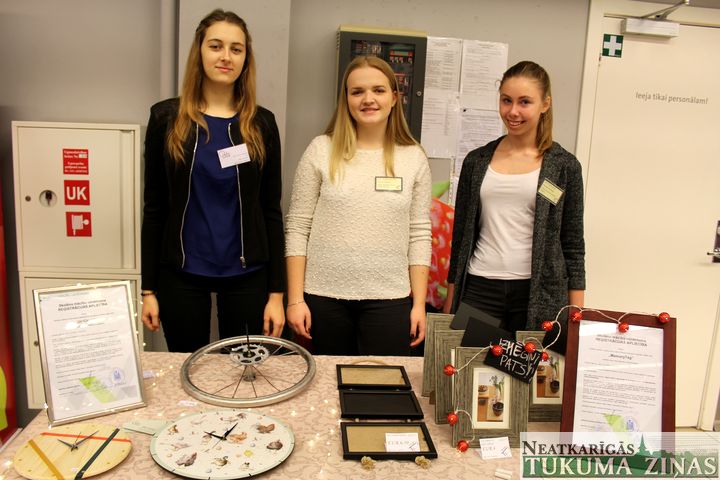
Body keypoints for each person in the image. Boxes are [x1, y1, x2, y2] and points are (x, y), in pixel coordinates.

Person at [140, 9, 285, 352]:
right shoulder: (166, 118)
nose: (225, 57)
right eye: (216, 46)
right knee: (189, 368)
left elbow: (271, 211)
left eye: (236, 49)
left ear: (246, 58)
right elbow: (154, 208)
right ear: (200, 51)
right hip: (181, 273)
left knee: (245, 373)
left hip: (248, 274)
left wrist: (277, 294)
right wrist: (148, 289)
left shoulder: (261, 124)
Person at [285, 56, 432, 356]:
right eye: (357, 92)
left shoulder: (413, 157)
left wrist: (419, 304)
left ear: (394, 97)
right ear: (346, 99)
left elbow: (419, 233)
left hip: (389, 298)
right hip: (323, 297)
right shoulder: (320, 150)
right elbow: (298, 227)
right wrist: (295, 299)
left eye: (378, 90)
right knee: (327, 382)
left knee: (383, 383)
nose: (368, 99)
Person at [444, 61, 585, 332]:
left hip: (539, 292)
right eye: (506, 100)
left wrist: (576, 313)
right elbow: (460, 238)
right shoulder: (476, 161)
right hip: (480, 287)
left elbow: (573, 244)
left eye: (524, 102)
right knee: (471, 359)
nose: (513, 111)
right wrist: (451, 299)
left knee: (532, 362)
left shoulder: (564, 166)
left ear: (545, 104)